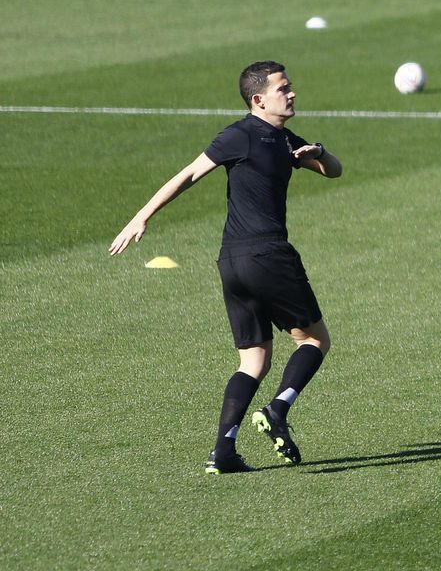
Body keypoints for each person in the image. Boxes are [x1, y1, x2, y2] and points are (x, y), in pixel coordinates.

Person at [108, 61, 344, 473]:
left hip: (232, 262)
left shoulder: (284, 138)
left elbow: (334, 171)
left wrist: (318, 153)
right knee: (314, 341)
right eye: (282, 89)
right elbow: (189, 174)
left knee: (253, 360)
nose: (291, 94)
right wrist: (142, 215)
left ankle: (224, 451)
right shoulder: (240, 134)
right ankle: (277, 410)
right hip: (268, 256)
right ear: (258, 99)